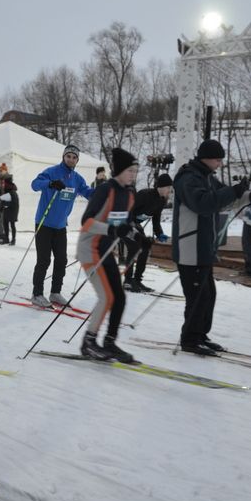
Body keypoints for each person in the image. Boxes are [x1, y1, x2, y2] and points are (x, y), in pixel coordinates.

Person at [173, 139, 248, 356]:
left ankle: (200, 335)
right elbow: (203, 204)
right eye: (218, 160)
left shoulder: (207, 178)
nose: (220, 164)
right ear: (206, 158)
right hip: (190, 248)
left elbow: (223, 200)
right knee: (197, 298)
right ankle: (189, 340)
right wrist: (234, 192)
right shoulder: (188, 179)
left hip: (204, 247)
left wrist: (248, 194)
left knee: (208, 295)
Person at [77, 148, 139, 363]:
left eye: (135, 170)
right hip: (89, 250)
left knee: (119, 297)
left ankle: (110, 343)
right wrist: (112, 230)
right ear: (120, 171)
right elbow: (86, 222)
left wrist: (137, 236)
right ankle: (89, 342)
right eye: (130, 170)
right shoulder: (105, 190)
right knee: (107, 297)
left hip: (106, 251)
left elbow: (126, 223)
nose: (133, 174)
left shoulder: (130, 193)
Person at [30, 144, 93, 307]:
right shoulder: (52, 172)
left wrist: (102, 194)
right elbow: (35, 184)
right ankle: (36, 294)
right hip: (44, 223)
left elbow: (87, 192)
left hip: (60, 226)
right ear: (63, 157)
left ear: (77, 160)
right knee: (43, 260)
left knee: (61, 260)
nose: (71, 159)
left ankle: (55, 293)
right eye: (68, 156)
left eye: (74, 157)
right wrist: (50, 184)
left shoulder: (77, 179)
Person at [123, 173, 173, 293]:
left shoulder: (161, 201)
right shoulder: (144, 195)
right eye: (169, 188)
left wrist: (159, 233)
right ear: (161, 187)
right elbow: (128, 210)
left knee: (145, 247)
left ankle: (137, 280)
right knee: (134, 248)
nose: (170, 192)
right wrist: (131, 225)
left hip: (136, 225)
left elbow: (156, 220)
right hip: (125, 223)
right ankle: (128, 281)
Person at [0, 173, 19, 245]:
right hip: (7, 210)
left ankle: (13, 239)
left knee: (12, 225)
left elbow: (14, 203)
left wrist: (5, 204)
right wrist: (2, 206)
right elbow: (5, 200)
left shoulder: (12, 191)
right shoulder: (7, 190)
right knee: (5, 224)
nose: (3, 184)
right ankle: (6, 238)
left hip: (12, 211)